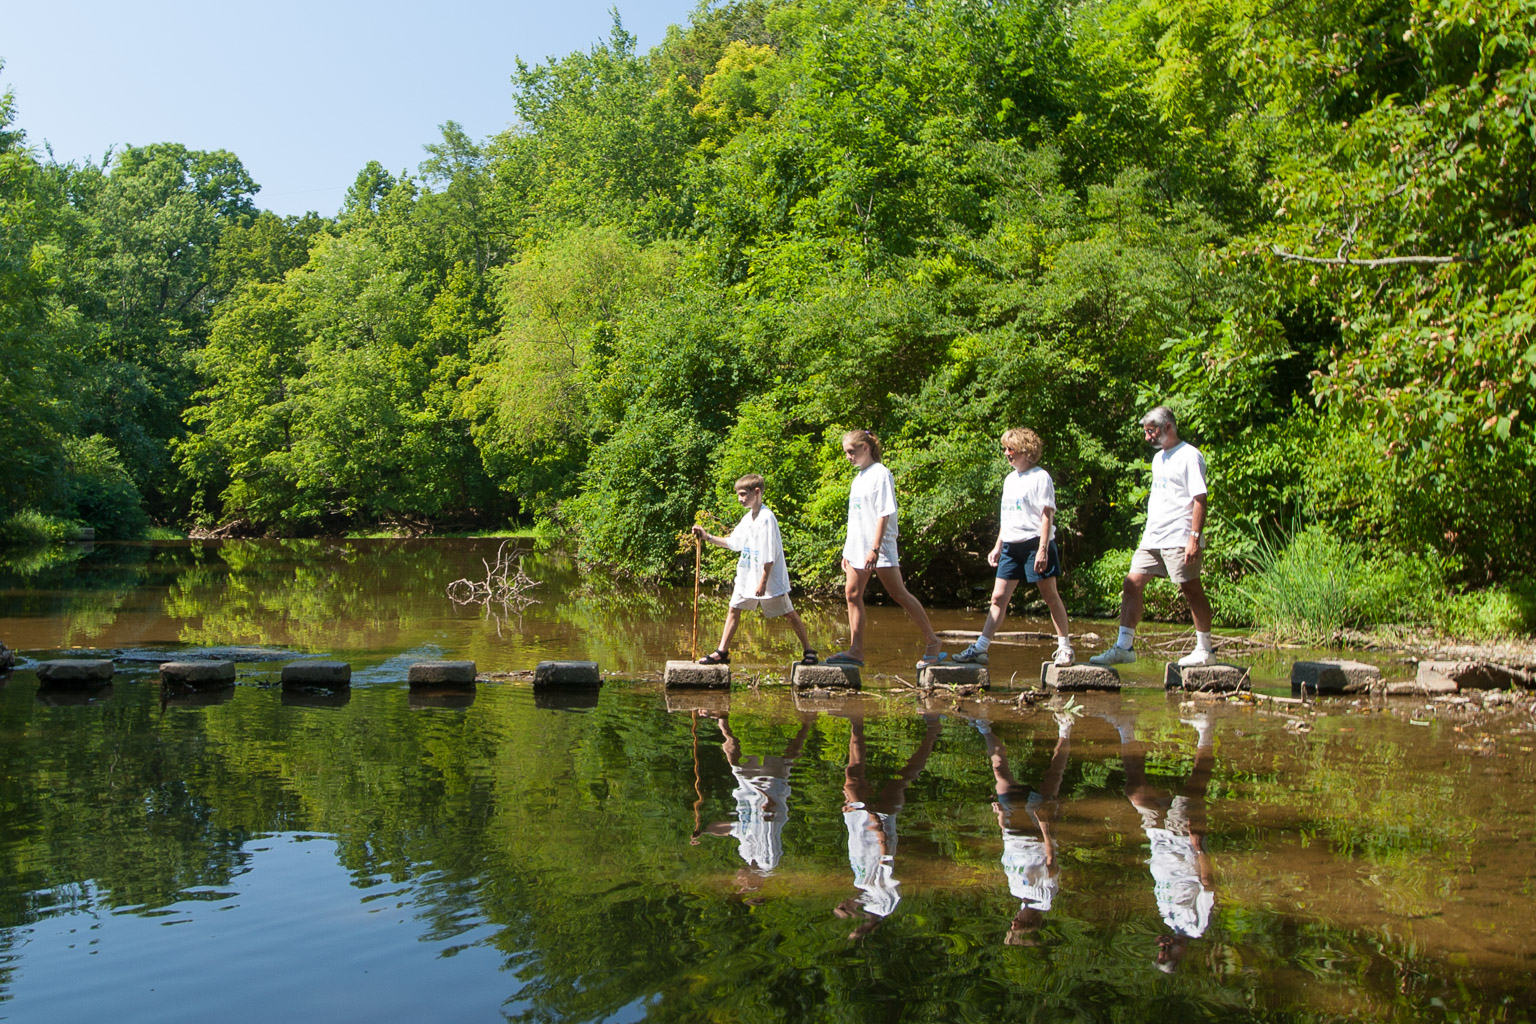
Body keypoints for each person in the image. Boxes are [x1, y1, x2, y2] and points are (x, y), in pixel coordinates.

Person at [1090, 406, 1216, 668]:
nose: (1147, 437)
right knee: (1132, 582)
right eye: (1146, 432)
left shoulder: (1190, 456)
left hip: (1179, 535)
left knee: (1190, 589)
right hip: (1153, 536)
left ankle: (1205, 650)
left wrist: (1194, 537)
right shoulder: (1159, 458)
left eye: (1151, 431)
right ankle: (1124, 646)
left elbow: (1200, 498)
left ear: (1168, 427)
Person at [1107, 709, 1218, 973]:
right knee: (1192, 790)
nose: (1164, 949)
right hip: (1183, 841)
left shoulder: (1167, 917)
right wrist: (1198, 846)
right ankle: (1206, 731)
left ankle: (1127, 726)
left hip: (1158, 838)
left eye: (1160, 953)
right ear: (1182, 955)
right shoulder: (1197, 926)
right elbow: (1208, 885)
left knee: (1134, 792)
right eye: (1169, 954)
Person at [952, 428, 1074, 668]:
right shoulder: (1010, 479)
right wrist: (998, 546)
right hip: (1011, 546)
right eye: (1005, 449)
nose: (1007, 454)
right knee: (997, 597)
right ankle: (980, 649)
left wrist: (1042, 550)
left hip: (1035, 544)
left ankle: (1065, 648)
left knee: (1050, 596)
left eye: (1011, 449)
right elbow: (1006, 517)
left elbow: (1046, 516)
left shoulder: (1041, 477)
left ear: (1026, 451)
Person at [826, 429, 944, 670]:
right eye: (846, 452)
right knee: (851, 594)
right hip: (857, 546)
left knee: (898, 593)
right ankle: (855, 651)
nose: (848, 456)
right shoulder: (858, 478)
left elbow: (884, 513)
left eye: (851, 451)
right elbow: (855, 519)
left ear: (865, 448)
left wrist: (875, 548)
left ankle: (933, 642)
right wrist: (848, 551)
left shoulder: (881, 474)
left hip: (878, 546)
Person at [835, 712, 942, 939]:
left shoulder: (861, 884)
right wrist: (877, 827)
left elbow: (856, 848)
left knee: (855, 774)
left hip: (859, 822)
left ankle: (857, 720)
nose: (846, 903)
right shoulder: (882, 904)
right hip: (876, 825)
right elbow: (885, 861)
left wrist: (851, 820)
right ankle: (932, 732)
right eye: (848, 905)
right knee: (902, 777)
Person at [692, 474, 817, 666]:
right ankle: (722, 651)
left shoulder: (767, 518)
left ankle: (809, 650)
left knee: (788, 612)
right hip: (747, 576)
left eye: (743, 494)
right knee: (734, 608)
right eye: (739, 495)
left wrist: (763, 581)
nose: (740, 499)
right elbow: (734, 543)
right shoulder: (748, 518)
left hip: (766, 578)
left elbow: (770, 553)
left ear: (756, 492)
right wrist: (707, 536)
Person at [977, 710, 1074, 945]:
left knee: (999, 770)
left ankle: (984, 726)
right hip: (1034, 833)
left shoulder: (1016, 893)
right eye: (1015, 926)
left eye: (1012, 925)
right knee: (1053, 776)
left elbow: (1009, 857)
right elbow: (1051, 862)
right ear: (1028, 924)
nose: (1012, 922)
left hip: (1012, 830)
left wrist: (1000, 821)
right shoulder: (1044, 898)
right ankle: (1065, 728)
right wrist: (1045, 828)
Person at [693, 712, 814, 885]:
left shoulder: (746, 855)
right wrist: (767, 800)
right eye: (741, 881)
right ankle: (806, 722)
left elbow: (734, 829)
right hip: (766, 798)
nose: (737, 877)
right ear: (752, 880)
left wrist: (704, 831)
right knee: (788, 759)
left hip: (750, 796)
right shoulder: (768, 862)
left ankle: (723, 718)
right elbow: (769, 829)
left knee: (734, 761)